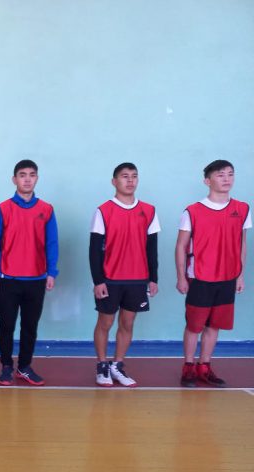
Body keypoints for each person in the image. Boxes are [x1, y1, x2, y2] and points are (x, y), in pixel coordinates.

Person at [175, 159, 250, 387]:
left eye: (230, 174)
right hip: (200, 276)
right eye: (220, 174)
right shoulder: (192, 211)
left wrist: (240, 274)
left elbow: (242, 244)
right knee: (194, 325)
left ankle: (204, 367)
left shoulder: (242, 209)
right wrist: (181, 277)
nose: (226, 178)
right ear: (207, 181)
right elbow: (181, 245)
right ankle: (188, 367)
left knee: (214, 325)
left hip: (227, 277)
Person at [0, 159, 58, 386]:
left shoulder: (46, 210)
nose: (27, 179)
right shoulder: (2, 209)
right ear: (14, 179)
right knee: (6, 324)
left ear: (37, 178)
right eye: (22, 175)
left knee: (30, 326)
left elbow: (52, 243)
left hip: (36, 278)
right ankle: (6, 366)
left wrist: (51, 272)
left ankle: (24, 367)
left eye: (32, 175)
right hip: (7, 279)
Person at [90, 163, 159, 387]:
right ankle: (102, 365)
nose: (130, 180)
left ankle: (117, 365)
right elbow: (94, 250)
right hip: (110, 278)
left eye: (134, 176)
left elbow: (151, 248)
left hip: (137, 278)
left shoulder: (149, 211)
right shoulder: (103, 211)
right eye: (125, 176)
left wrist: (153, 278)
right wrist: (98, 281)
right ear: (114, 181)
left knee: (128, 323)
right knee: (106, 322)